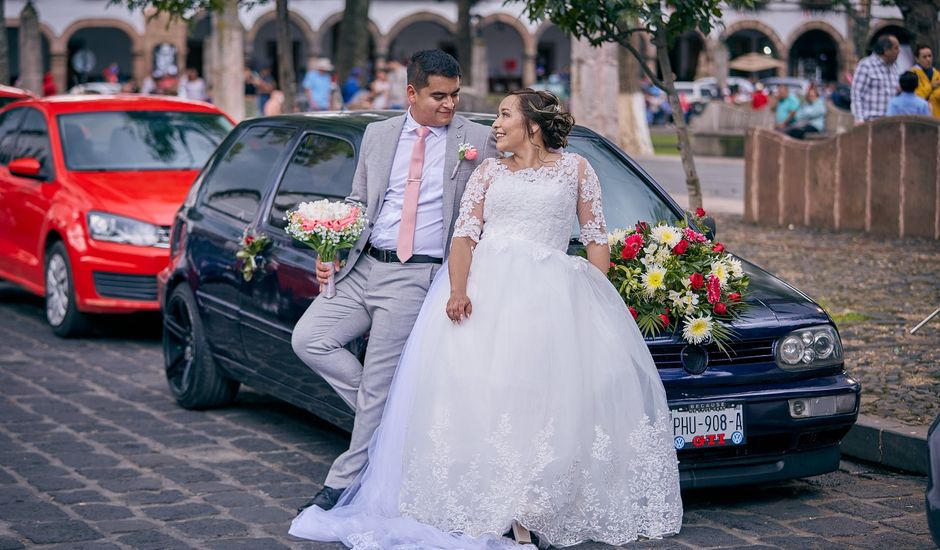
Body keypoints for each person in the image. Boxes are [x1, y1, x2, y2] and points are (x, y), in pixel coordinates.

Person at [289, 88, 683, 549]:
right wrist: (457, 291)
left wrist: (598, 294)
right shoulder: (488, 171)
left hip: (550, 295)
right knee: (483, 393)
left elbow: (596, 238)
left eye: (504, 115)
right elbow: (463, 236)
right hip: (486, 293)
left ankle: (534, 504)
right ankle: (493, 502)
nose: (495, 124)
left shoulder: (576, 169)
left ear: (532, 126)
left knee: (543, 398)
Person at [290, 49, 497, 514]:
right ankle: (395, 417)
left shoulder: (478, 141)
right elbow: (359, 200)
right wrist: (333, 252)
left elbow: (525, 165)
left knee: (380, 385)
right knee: (310, 340)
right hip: (362, 266)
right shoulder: (377, 134)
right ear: (411, 93)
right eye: (438, 95)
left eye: (455, 95)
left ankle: (340, 483)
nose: (449, 104)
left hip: (416, 273)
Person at [851, 34, 900, 123]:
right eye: (896, 48)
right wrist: (859, 119)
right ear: (886, 51)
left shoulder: (895, 67)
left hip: (892, 122)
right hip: (871, 122)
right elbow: (856, 94)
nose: (899, 51)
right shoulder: (866, 65)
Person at [910, 45, 940, 118]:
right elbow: (915, 98)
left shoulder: (937, 75)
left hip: (936, 119)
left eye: (930, 56)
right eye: (924, 57)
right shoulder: (911, 75)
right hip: (920, 119)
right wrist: (931, 87)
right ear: (917, 59)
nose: (928, 59)